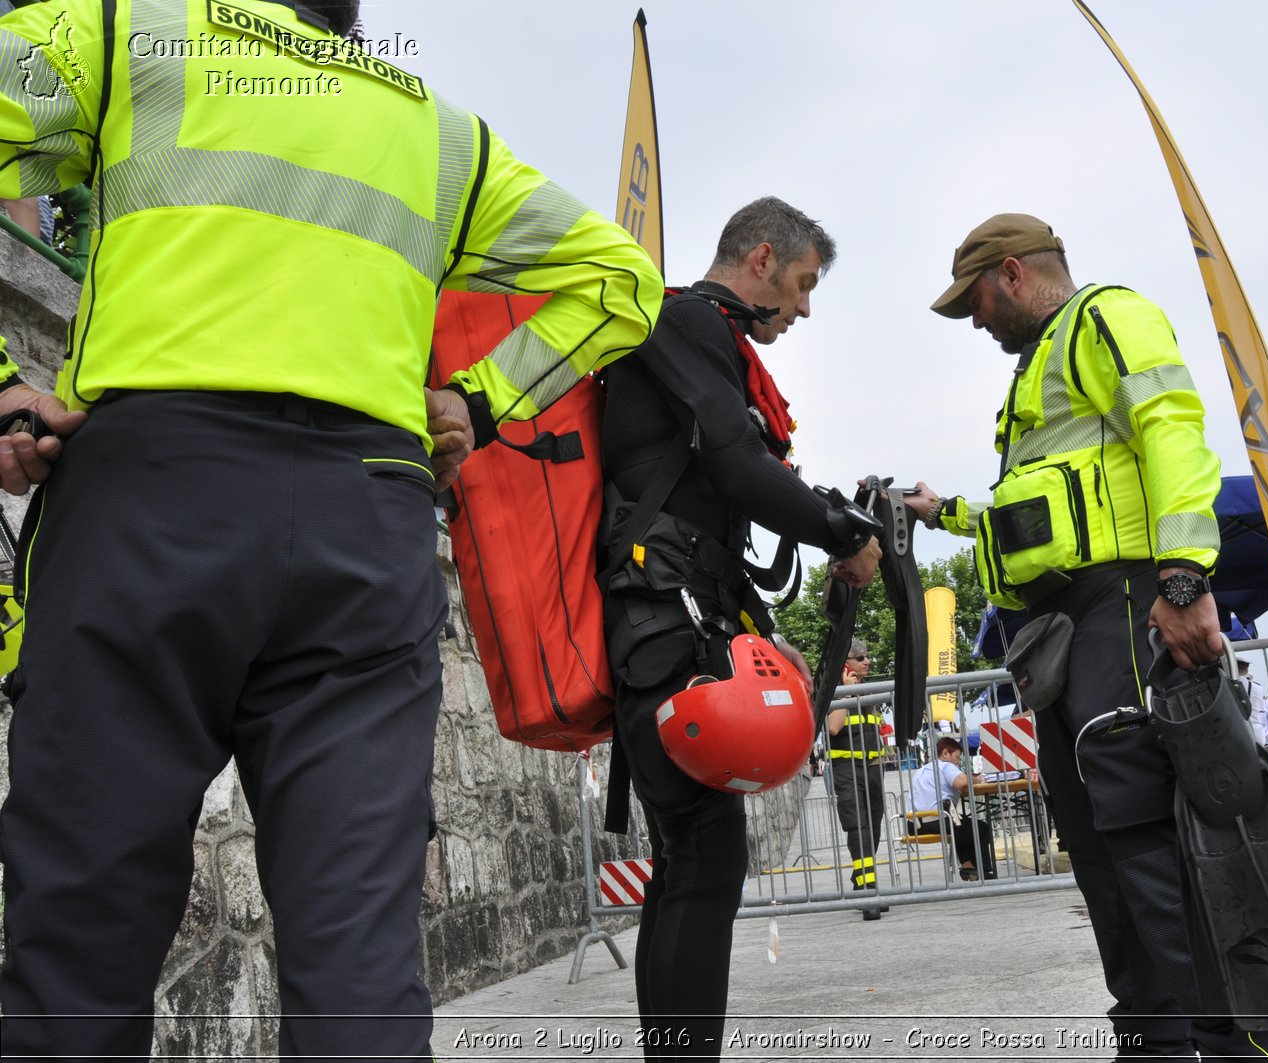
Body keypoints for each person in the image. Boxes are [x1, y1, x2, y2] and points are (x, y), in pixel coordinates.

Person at [0, 1, 663, 1057]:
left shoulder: (128, 33)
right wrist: (479, 402)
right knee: (358, 958)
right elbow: (621, 278)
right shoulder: (438, 130)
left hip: (150, 501)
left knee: (80, 939)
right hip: (366, 521)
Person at [906, 214, 1268, 1060]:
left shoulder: (1104, 317)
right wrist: (947, 513)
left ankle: (1235, 1042)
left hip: (1126, 601)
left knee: (1152, 832)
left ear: (1011, 273)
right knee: (1096, 839)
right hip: (1064, 631)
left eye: (973, 301)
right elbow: (1036, 509)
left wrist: (1183, 579)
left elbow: (1173, 434)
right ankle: (1152, 1037)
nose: (975, 322)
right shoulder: (1038, 367)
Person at [599, 196, 881, 1060]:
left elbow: (724, 488)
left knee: (693, 858)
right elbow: (736, 461)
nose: (802, 308)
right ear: (761, 259)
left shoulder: (703, 341)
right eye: (800, 285)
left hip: (675, 617)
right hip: (659, 620)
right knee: (702, 855)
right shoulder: (684, 320)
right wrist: (842, 532)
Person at [826, 637, 890, 919]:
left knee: (873, 828)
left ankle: (861, 878)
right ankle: (868, 890)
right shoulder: (831, 689)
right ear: (846, 663)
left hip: (873, 768)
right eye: (861, 657)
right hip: (847, 770)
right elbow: (833, 727)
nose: (867, 661)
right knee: (858, 828)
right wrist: (847, 694)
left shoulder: (870, 690)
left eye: (867, 657)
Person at [907, 735, 996, 880]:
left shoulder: (922, 771)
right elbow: (961, 782)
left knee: (962, 823)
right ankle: (983, 870)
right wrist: (976, 779)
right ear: (945, 753)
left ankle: (968, 866)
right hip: (937, 821)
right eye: (957, 757)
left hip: (913, 825)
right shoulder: (945, 765)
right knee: (981, 827)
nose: (958, 762)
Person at [1238, 659, 1268, 745]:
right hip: (1258, 733)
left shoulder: (1230, 684)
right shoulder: (1257, 687)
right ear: (1247, 669)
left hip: (1240, 732)